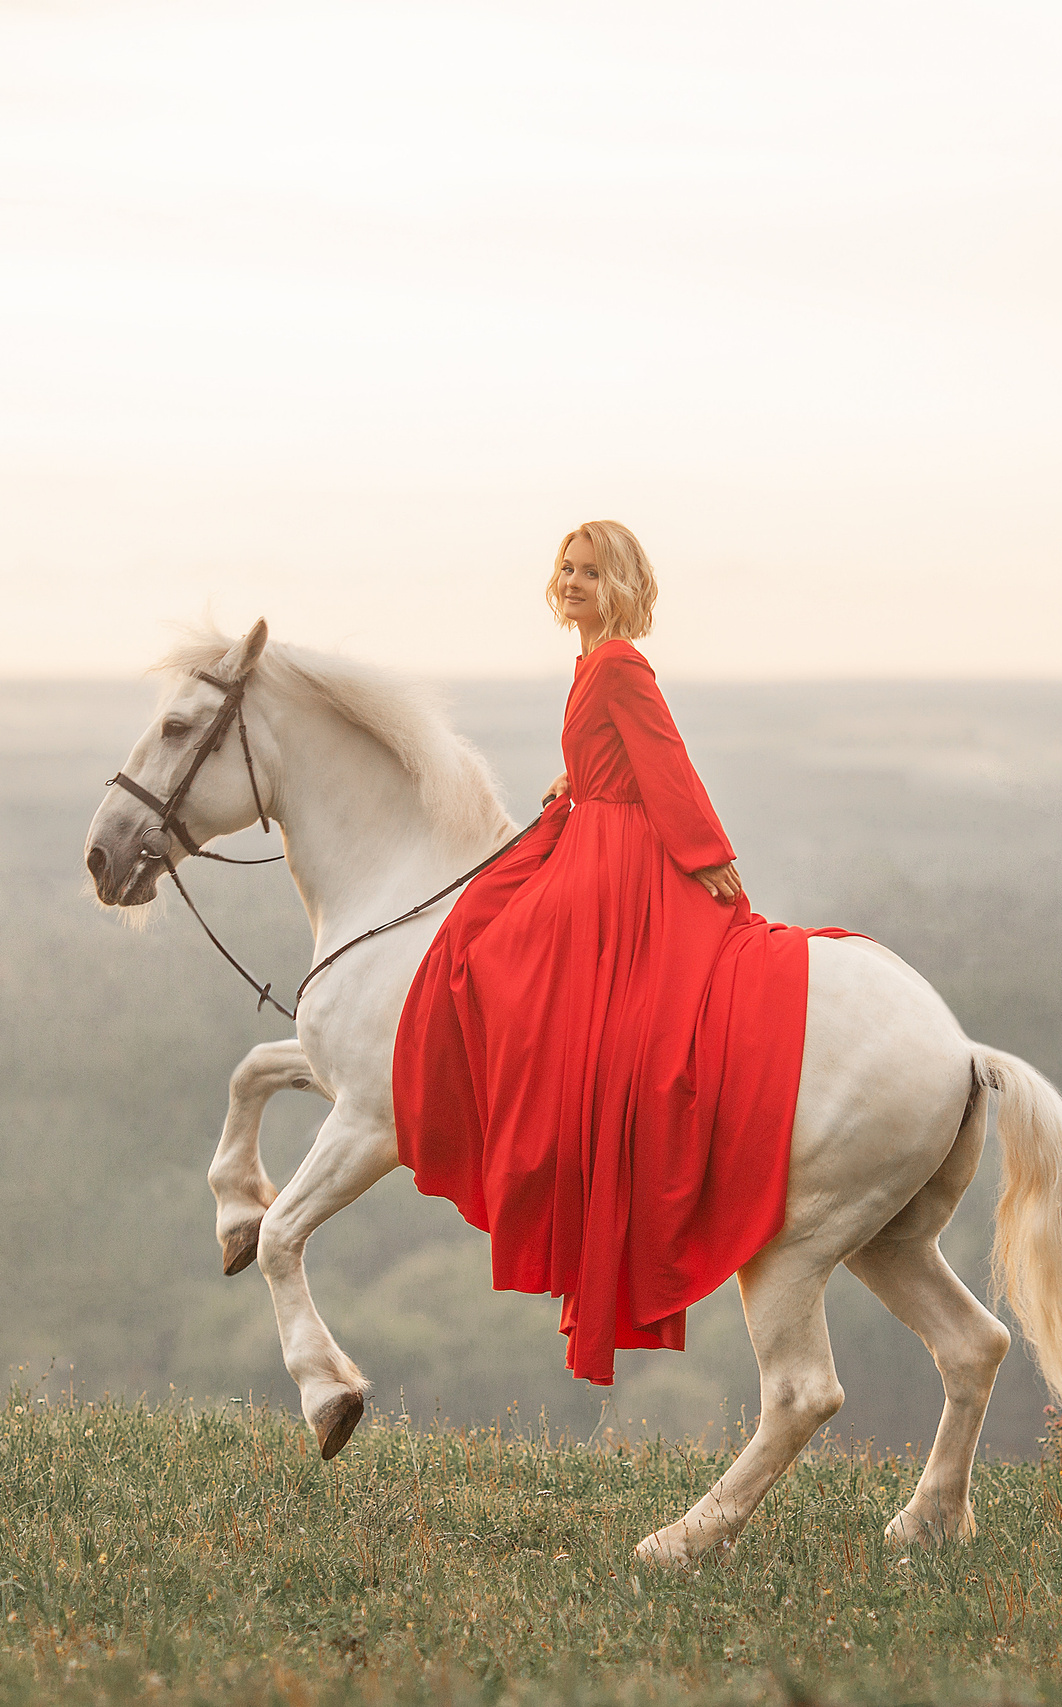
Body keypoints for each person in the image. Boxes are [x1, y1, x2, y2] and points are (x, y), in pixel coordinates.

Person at [393, 521, 850, 1384]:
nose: (572, 581)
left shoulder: (617, 663)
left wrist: (708, 855)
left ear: (622, 583)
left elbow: (665, 762)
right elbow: (620, 751)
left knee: (492, 956)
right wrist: (577, 776)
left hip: (624, 861)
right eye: (565, 568)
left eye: (590, 572)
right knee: (484, 931)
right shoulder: (592, 660)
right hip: (594, 828)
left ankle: (540, 1132)